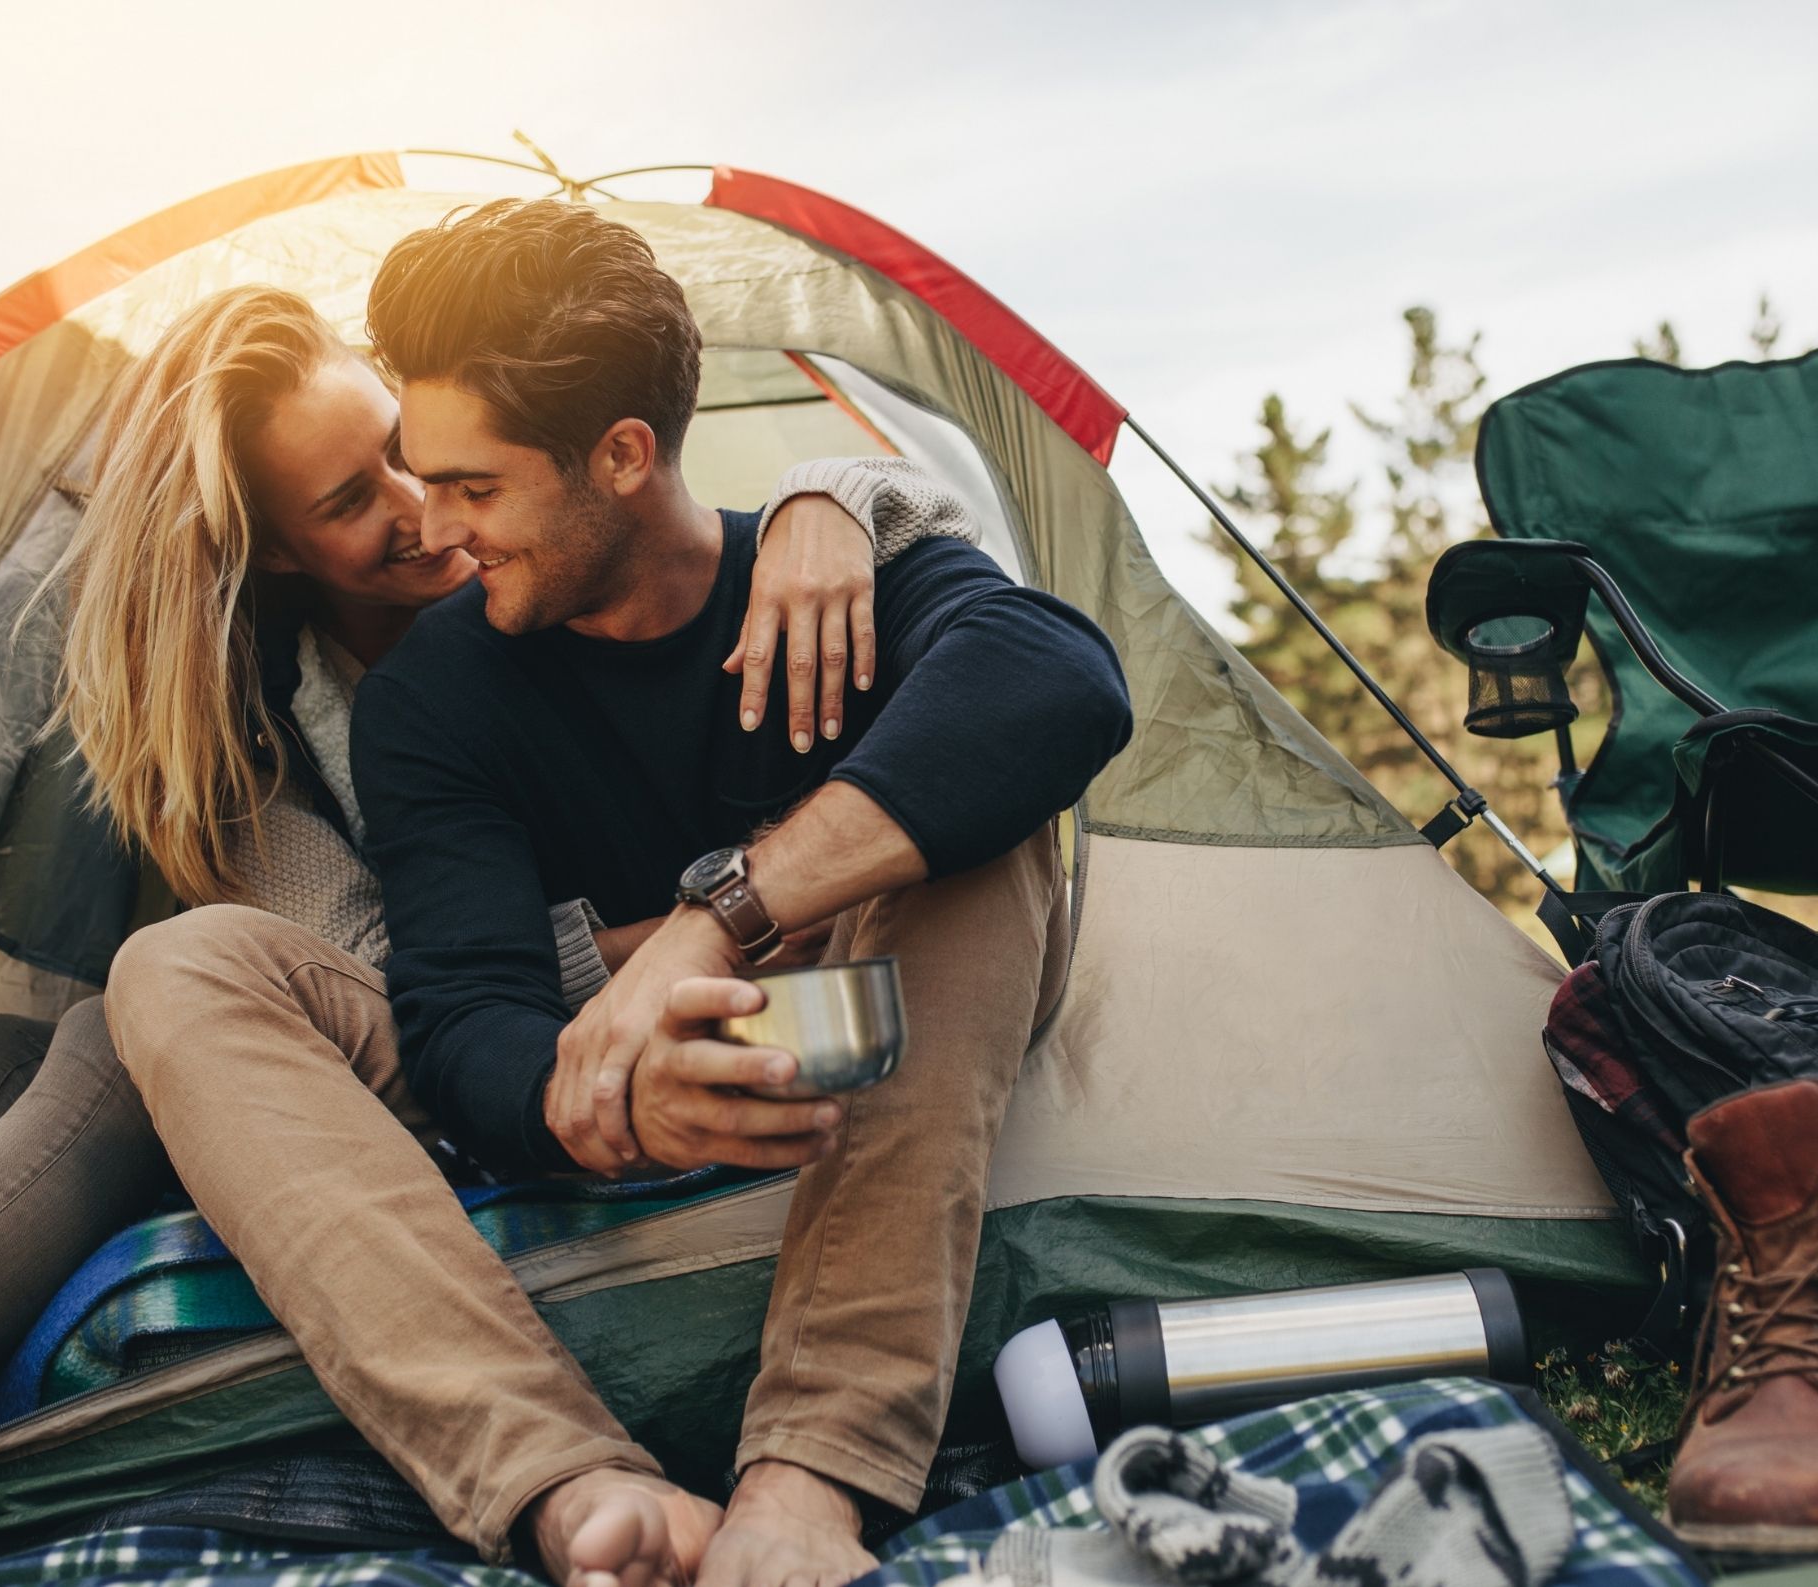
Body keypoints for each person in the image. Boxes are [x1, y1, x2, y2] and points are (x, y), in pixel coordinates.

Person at [115, 197, 1132, 1587]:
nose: (442, 529)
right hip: (631, 1076)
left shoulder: (826, 576)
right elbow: (467, 1012)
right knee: (176, 967)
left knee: (979, 819)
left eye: (473, 486)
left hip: (857, 1024)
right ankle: (573, 1480)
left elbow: (1061, 683)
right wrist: (594, 1097)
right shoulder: (433, 695)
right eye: (407, 484)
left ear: (621, 453)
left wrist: (722, 914)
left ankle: (811, 1476)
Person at [0, 283, 969, 1439]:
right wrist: (725, 916)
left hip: (618, 1008)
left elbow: (754, 550)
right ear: (278, 549)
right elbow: (406, 980)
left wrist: (827, 492)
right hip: (450, 1034)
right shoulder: (260, 743)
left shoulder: (561, 560)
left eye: (402, 451)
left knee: (99, 1042)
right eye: (348, 500)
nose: (424, 513)